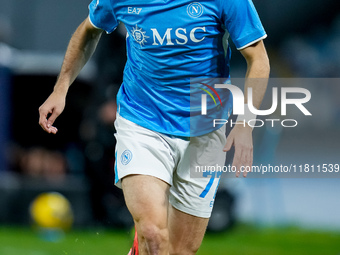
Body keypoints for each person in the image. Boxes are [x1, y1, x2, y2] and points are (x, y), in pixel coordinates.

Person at [39, 0, 270, 254]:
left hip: (205, 126)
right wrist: (60, 89)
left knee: (180, 251)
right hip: (142, 121)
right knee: (152, 233)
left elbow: (258, 58)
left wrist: (245, 123)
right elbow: (88, 30)